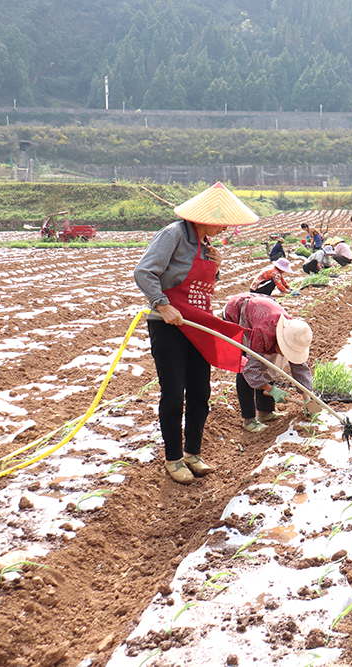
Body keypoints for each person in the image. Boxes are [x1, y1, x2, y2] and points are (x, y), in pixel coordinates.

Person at [134, 182, 259, 484]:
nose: (226, 226)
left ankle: (193, 453)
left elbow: (201, 284)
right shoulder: (173, 235)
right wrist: (163, 306)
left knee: (201, 392)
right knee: (174, 392)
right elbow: (144, 272)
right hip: (169, 325)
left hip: (197, 324)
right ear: (203, 217)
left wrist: (216, 266)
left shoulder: (205, 245)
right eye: (221, 220)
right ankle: (173, 458)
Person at [223, 293, 317, 433]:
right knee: (245, 365)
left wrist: (308, 400)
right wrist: (272, 390)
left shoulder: (293, 331)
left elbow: (300, 368)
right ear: (280, 341)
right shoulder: (262, 333)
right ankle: (249, 420)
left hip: (259, 312)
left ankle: (265, 412)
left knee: (267, 363)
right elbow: (249, 369)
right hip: (237, 314)